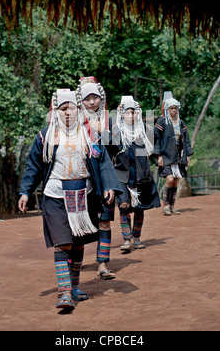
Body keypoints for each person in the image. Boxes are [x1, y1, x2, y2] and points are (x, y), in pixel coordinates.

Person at [18, 89, 122, 311]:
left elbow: (103, 161)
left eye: (71, 108)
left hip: (84, 195)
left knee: (78, 243)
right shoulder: (46, 137)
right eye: (62, 109)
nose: (67, 113)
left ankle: (74, 286)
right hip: (55, 196)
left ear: (78, 109)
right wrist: (25, 191)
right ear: (55, 111)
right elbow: (34, 166)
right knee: (63, 243)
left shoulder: (90, 135)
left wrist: (110, 186)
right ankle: (64, 292)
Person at [106, 95, 161, 252]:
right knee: (124, 206)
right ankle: (127, 239)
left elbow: (157, 141)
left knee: (139, 208)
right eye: (127, 112)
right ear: (121, 113)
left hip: (141, 175)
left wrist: (158, 156)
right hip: (121, 175)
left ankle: (136, 238)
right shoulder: (115, 130)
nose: (131, 116)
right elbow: (106, 147)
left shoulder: (144, 129)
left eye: (133, 112)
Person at [76, 76, 116, 280]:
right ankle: (77, 260)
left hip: (106, 177)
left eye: (95, 97)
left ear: (101, 98)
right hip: (82, 179)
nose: (92, 102)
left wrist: (103, 131)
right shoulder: (72, 119)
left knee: (105, 222)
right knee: (79, 222)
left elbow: (119, 145)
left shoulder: (108, 119)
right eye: (87, 98)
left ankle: (102, 263)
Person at [153, 94, 194, 216]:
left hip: (178, 156)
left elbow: (185, 140)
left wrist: (187, 155)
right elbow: (156, 139)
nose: (174, 110)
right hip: (166, 156)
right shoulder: (161, 122)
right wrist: (159, 156)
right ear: (167, 109)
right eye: (171, 108)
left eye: (175, 108)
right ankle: (165, 205)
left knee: (176, 181)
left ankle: (172, 206)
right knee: (169, 179)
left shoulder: (180, 123)